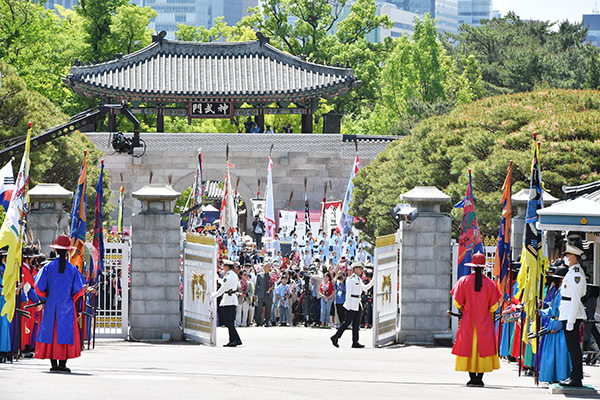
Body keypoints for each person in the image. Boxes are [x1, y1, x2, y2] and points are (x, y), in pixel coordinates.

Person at [34, 235, 88, 373]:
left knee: (51, 332)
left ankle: (53, 364)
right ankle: (62, 364)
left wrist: (46, 297)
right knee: (64, 333)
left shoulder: (48, 267)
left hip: (52, 305)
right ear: (69, 251)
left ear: (56, 251)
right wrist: (71, 299)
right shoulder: (72, 269)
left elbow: (38, 287)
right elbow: (79, 290)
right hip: (67, 307)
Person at [450, 252, 501, 387]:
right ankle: (480, 378)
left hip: (468, 322)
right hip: (484, 322)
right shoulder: (490, 284)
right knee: (482, 348)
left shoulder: (463, 281)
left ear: (472, 267)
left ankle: (472, 378)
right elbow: (494, 306)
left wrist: (464, 308)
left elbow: (457, 302)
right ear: (484, 268)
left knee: (469, 348)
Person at [558, 244, 587, 387]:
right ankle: (574, 375)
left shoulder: (576, 274)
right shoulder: (571, 271)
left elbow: (575, 298)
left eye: (567, 255)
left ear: (573, 257)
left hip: (571, 314)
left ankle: (576, 378)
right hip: (567, 312)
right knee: (572, 347)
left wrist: (571, 320)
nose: (565, 258)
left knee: (574, 347)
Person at [538, 266, 571, 383]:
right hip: (553, 324)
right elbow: (553, 309)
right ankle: (551, 377)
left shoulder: (563, 292)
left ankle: (560, 377)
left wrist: (557, 326)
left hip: (559, 327)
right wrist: (541, 312)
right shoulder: (558, 291)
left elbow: (564, 311)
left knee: (559, 354)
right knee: (550, 354)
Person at [330, 262, 375, 348]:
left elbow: (365, 288)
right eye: (359, 268)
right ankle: (335, 336)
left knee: (356, 323)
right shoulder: (350, 279)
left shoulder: (358, 279)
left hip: (357, 303)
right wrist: (348, 306)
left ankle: (355, 341)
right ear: (355, 269)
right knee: (347, 322)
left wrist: (373, 281)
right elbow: (348, 293)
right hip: (351, 303)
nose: (361, 270)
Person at [210, 260, 242, 347]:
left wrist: (214, 295)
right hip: (232, 300)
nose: (223, 268)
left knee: (228, 321)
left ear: (227, 267)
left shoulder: (228, 276)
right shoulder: (233, 275)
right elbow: (227, 284)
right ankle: (232, 340)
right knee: (230, 321)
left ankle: (236, 339)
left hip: (228, 300)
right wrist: (219, 279)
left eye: (224, 266)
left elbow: (223, 288)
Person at [255, 262, 273, 326]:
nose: (269, 268)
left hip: (268, 294)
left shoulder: (272, 275)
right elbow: (257, 285)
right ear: (264, 267)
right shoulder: (259, 275)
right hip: (261, 294)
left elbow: (274, 284)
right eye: (268, 267)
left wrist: (272, 287)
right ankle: (258, 321)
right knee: (259, 308)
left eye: (270, 267)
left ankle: (267, 321)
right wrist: (255, 294)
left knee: (268, 309)